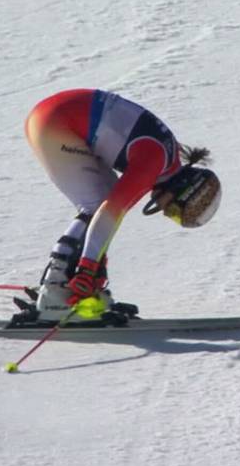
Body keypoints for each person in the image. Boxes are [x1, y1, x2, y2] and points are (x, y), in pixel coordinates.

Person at [15, 89, 222, 325]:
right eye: (174, 210)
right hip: (56, 123)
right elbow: (109, 212)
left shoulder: (165, 159)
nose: (166, 213)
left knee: (102, 197)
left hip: (58, 115)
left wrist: (94, 263)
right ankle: (54, 291)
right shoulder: (152, 166)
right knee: (95, 205)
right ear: (181, 191)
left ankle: (62, 281)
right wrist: (88, 267)